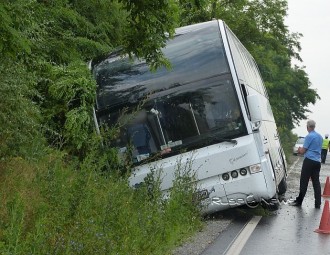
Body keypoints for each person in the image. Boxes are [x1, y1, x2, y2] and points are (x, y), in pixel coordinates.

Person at [290, 120, 323, 208]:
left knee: (304, 181)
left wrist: (299, 150)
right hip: (317, 162)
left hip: (309, 161)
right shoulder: (320, 137)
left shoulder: (309, 136)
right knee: (316, 182)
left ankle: (299, 201)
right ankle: (318, 203)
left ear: (308, 127)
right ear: (314, 126)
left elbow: (303, 151)